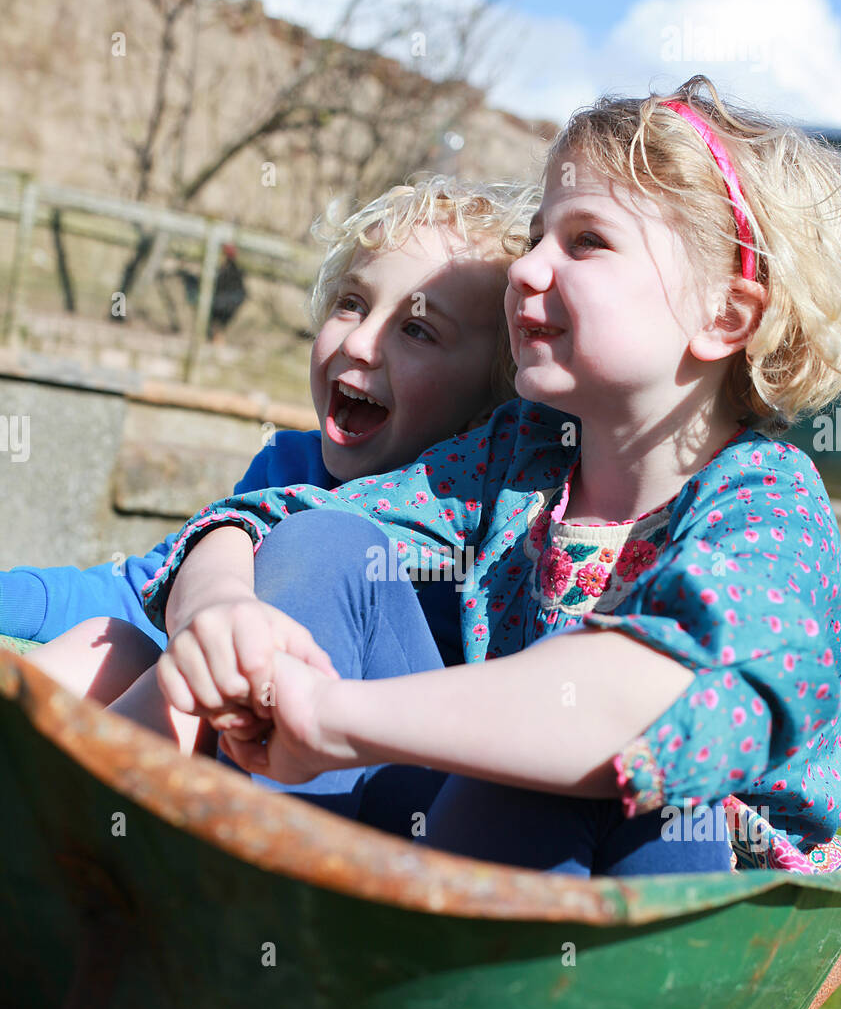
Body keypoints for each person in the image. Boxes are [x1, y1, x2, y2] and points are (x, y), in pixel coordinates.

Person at [52, 79, 841, 875]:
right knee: (327, 543)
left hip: (676, 895)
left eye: (585, 241)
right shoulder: (522, 458)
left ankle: (399, 976)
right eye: (536, 236)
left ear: (723, 317)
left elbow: (660, 704)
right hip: (473, 836)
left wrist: (334, 716)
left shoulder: (768, 507)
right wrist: (219, 607)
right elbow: (279, 515)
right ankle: (237, 899)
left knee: (551, 749)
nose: (527, 268)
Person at [14, 175, 537, 712]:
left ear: (492, 403)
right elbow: (145, 587)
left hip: (354, 758)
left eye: (418, 331)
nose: (358, 342)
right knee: (113, 643)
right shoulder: (290, 466)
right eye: (353, 303)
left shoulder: (480, 525)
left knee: (192, 690)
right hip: (234, 702)